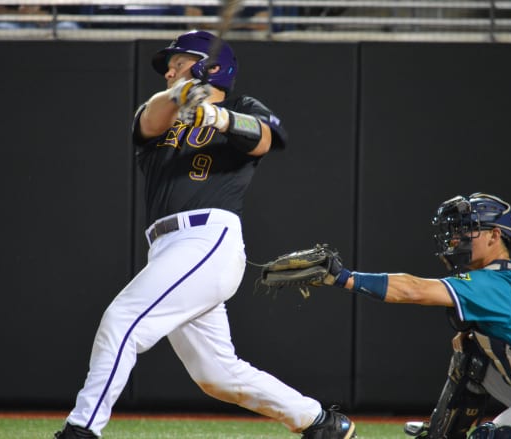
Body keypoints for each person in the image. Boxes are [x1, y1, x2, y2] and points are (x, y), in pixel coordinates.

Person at [53, 30, 355, 439]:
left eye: (177, 63)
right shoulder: (163, 111)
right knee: (217, 375)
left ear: (208, 66)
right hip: (166, 248)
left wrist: (218, 117)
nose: (168, 72)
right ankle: (320, 422)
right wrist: (182, 95)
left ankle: (82, 430)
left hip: (207, 239)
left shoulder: (240, 107)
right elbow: (148, 117)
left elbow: (268, 137)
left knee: (121, 321)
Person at [321, 193, 511, 438]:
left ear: (495, 235)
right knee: (471, 354)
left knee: (496, 437)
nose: (457, 237)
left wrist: (343, 277)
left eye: (467, 229)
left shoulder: (494, 282)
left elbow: (413, 290)